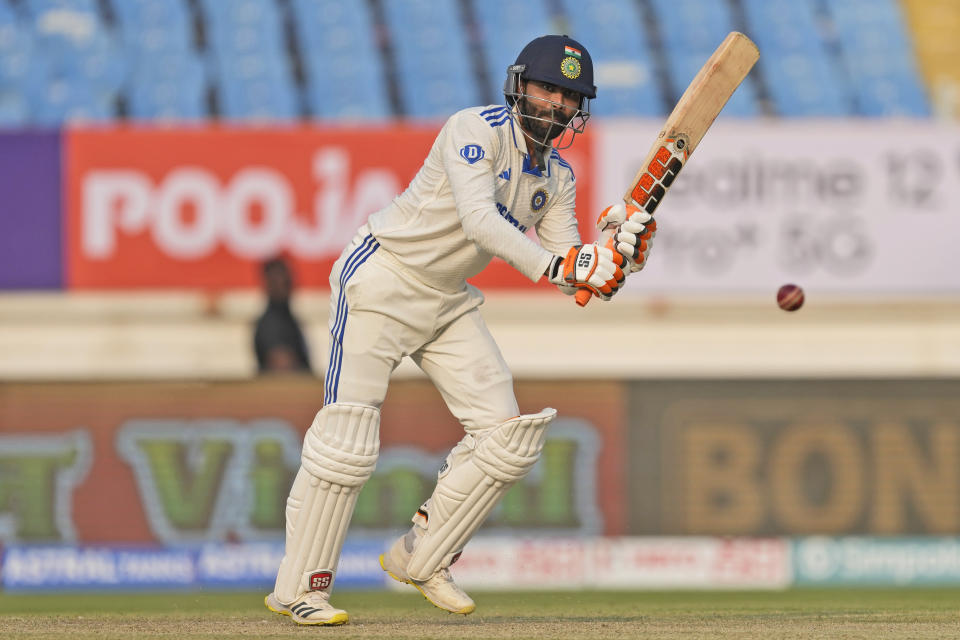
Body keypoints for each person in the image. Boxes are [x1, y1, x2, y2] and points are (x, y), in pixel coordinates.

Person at [264, 34, 656, 626]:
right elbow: (480, 223)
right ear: (519, 83)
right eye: (547, 87)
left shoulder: (558, 176)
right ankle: (300, 588)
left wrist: (613, 259)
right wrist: (565, 264)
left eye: (569, 96)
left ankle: (422, 556)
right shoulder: (472, 129)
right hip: (381, 279)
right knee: (347, 441)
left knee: (508, 438)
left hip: (446, 301)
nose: (554, 104)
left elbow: (569, 274)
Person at [253, 257, 312, 374]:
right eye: (276, 284)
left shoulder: (289, 319)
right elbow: (282, 369)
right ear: (267, 286)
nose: (282, 289)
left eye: (285, 283)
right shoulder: (269, 324)